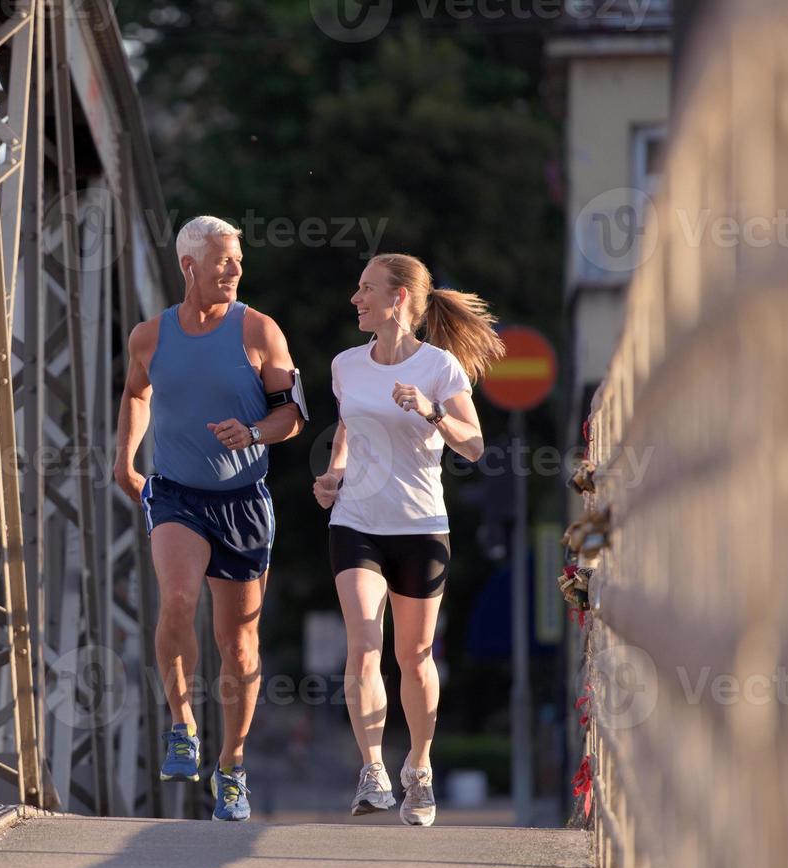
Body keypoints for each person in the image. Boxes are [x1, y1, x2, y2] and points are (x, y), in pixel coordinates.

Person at [114, 216, 306, 821]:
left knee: (238, 643)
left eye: (239, 261)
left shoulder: (260, 331)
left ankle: (232, 765)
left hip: (243, 501)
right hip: (174, 494)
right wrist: (125, 464)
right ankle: (182, 726)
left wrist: (251, 432)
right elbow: (137, 394)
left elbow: (293, 417)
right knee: (175, 599)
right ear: (188, 266)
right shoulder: (149, 337)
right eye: (223, 260)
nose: (234, 270)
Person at [313, 254, 503, 826]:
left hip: (421, 527)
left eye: (366, 288)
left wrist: (430, 414)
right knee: (364, 642)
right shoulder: (346, 364)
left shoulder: (440, 368)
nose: (355, 298)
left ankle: (418, 768)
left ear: (398, 299)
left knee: (414, 657)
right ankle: (372, 770)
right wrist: (335, 472)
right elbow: (347, 423)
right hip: (355, 522)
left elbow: (473, 445)